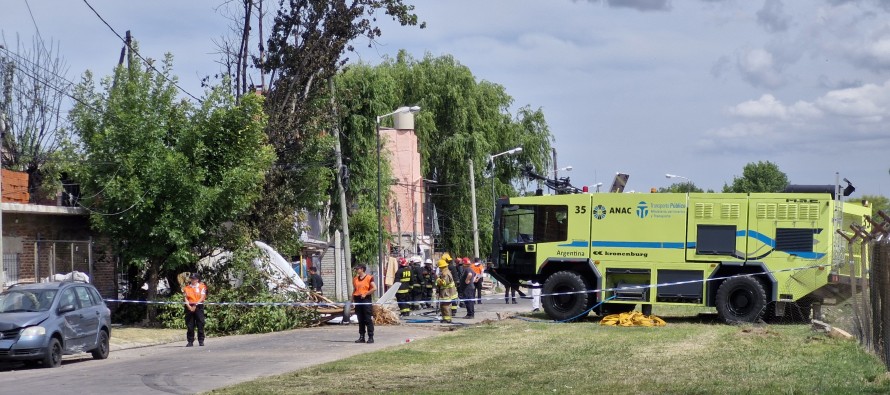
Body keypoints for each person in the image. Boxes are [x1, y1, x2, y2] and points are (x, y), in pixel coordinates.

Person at [352, 264, 377, 344]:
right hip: (357, 299)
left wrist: (366, 293)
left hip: (365, 299)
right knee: (360, 319)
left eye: (357, 269)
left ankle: (370, 337)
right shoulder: (355, 279)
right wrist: (352, 300)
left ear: (362, 269)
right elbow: (355, 289)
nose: (356, 270)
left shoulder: (369, 278)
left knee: (367, 319)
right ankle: (361, 337)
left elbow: (374, 288)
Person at [183, 273, 207, 347]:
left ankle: (201, 340)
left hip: (198, 306)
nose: (192, 280)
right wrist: (189, 306)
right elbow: (185, 298)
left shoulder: (202, 287)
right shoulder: (186, 288)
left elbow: (202, 297)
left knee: (200, 323)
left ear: (197, 279)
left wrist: (195, 305)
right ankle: (190, 341)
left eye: (194, 279)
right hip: (189, 307)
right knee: (190, 325)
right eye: (191, 278)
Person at [435, 259, 457, 323]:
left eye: (439, 267)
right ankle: (445, 318)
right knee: (443, 306)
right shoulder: (445, 272)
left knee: (446, 306)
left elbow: (444, 283)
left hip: (447, 292)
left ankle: (447, 319)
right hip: (445, 292)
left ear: (441, 267)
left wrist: (437, 279)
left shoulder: (445, 273)